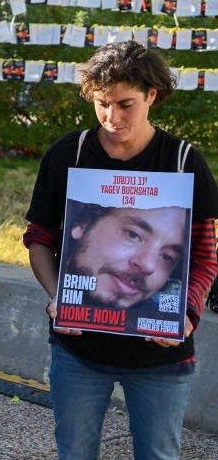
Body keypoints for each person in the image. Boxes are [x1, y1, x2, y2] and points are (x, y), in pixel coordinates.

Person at [24, 41, 218, 460]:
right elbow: (38, 238)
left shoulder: (184, 161)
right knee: (74, 452)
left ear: (152, 95)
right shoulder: (68, 155)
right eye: (102, 104)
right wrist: (57, 295)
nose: (112, 118)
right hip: (79, 349)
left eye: (125, 104)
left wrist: (187, 314)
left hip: (160, 356)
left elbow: (205, 254)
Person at [63, 202, 188, 311]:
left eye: (167, 257)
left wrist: (188, 319)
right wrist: (57, 299)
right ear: (83, 223)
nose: (148, 265)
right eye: (133, 235)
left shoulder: (165, 315)